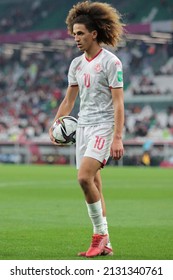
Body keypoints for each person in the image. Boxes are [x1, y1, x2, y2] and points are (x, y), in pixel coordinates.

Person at [49, 0, 125, 258]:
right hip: (83, 127)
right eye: (74, 34)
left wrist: (117, 137)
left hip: (103, 128)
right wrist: (56, 123)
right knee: (94, 185)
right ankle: (107, 243)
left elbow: (118, 103)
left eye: (80, 33)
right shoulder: (76, 64)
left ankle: (99, 236)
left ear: (94, 33)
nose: (76, 38)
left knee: (83, 178)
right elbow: (69, 101)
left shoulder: (111, 62)